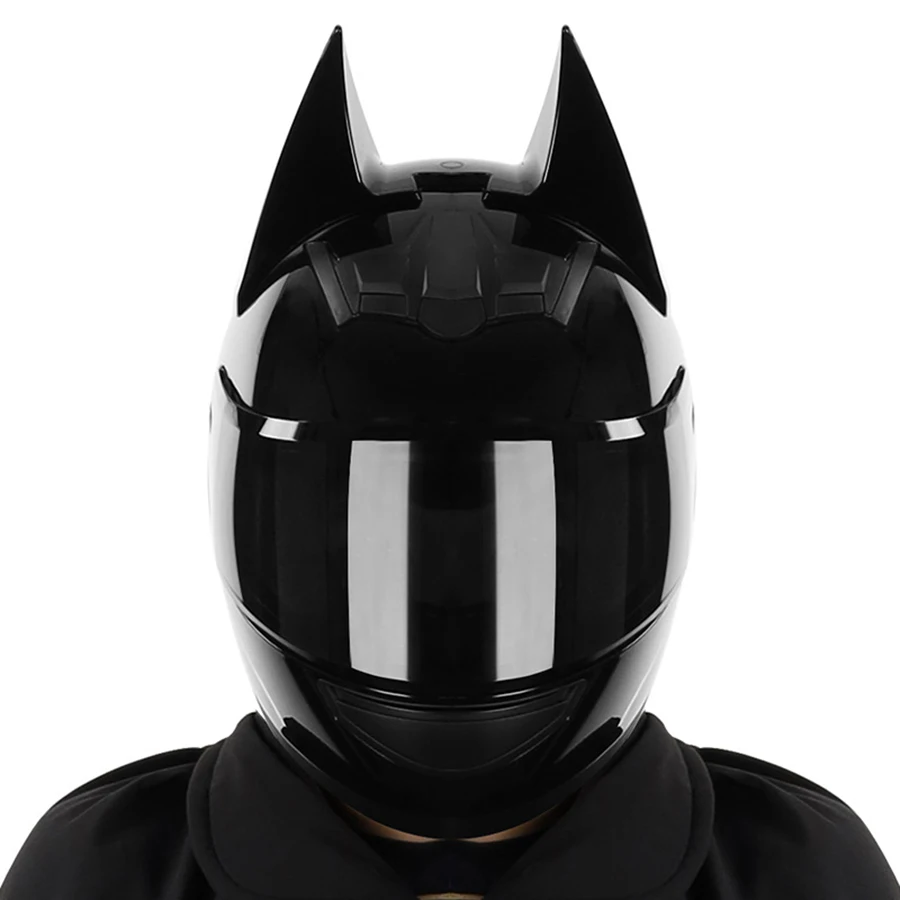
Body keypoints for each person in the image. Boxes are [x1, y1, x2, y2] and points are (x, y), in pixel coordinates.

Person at [2, 24, 897, 900]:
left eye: (516, 532)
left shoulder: (802, 874)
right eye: (390, 533)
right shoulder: (97, 874)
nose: (453, 605)